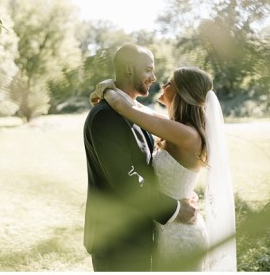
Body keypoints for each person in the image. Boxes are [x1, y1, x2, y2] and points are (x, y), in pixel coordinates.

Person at [90, 59, 237, 272]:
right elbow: (137, 108)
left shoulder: (186, 134)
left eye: (170, 83)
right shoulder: (179, 128)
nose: (163, 85)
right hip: (166, 227)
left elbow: (125, 107)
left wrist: (106, 87)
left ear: (183, 93)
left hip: (180, 235)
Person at [82, 45, 199, 271]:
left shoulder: (136, 113)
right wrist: (176, 208)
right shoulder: (106, 116)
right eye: (148, 70)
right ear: (128, 69)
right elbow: (127, 181)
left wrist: (180, 189)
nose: (154, 78)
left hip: (144, 236)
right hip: (117, 241)